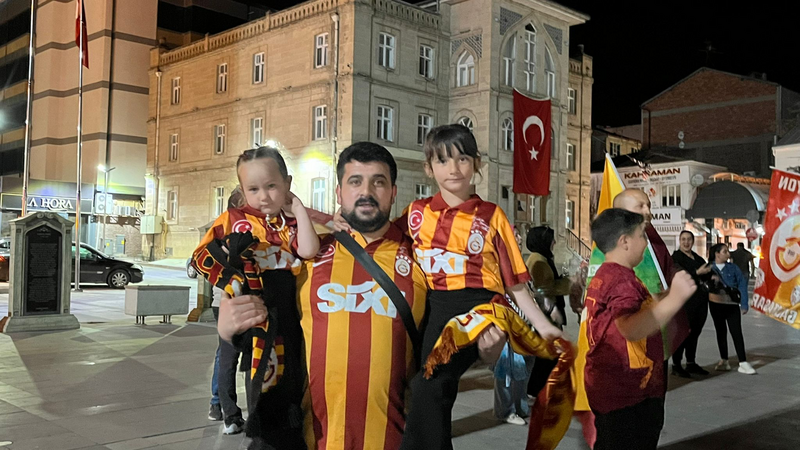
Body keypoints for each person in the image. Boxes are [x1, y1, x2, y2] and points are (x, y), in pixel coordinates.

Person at [217, 142, 507, 450]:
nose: (366, 191)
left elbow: (449, 335)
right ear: (339, 193)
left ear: (393, 192)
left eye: (378, 182)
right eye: (355, 181)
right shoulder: (306, 256)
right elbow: (268, 323)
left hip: (395, 441)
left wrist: (486, 351)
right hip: (312, 442)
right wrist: (227, 329)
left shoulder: (424, 259)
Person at [400, 124, 562, 450]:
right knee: (427, 388)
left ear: (477, 164)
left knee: (431, 382)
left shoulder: (491, 215)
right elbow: (384, 245)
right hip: (431, 308)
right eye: (443, 160)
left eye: (462, 159)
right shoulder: (415, 213)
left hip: (477, 308)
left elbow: (514, 282)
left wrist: (543, 325)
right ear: (428, 168)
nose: (454, 168)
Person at [191, 146, 320, 449]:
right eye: (253, 189)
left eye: (271, 186)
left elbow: (308, 250)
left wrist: (299, 209)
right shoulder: (233, 220)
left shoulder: (289, 223)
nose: (263, 196)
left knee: (295, 384)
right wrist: (235, 278)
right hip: (258, 317)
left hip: (292, 315)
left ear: (287, 184)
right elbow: (201, 258)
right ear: (242, 189)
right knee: (264, 385)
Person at [585, 208, 696, 450]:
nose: (646, 243)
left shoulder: (606, 274)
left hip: (612, 388)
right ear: (624, 241)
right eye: (641, 236)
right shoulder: (621, 280)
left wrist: (664, 297)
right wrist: (675, 298)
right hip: (627, 393)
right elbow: (629, 327)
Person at [491, 226, 536, 426]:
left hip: (525, 324)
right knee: (507, 369)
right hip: (508, 323)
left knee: (523, 367)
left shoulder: (518, 262)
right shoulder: (498, 263)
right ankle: (505, 410)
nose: (519, 237)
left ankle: (520, 405)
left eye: (518, 234)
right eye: (514, 235)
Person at [524, 226, 570, 400]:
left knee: (548, 356)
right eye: (551, 239)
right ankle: (535, 391)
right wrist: (568, 283)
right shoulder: (539, 262)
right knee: (547, 357)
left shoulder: (541, 258)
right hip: (546, 315)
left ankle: (539, 390)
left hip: (546, 315)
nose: (554, 242)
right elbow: (543, 290)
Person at [707, 243, 756, 375]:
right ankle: (724, 360)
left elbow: (742, 285)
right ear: (717, 254)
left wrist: (744, 304)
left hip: (732, 304)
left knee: (736, 332)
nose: (728, 254)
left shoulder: (733, 268)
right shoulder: (709, 268)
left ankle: (743, 362)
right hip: (715, 304)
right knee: (720, 332)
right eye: (725, 251)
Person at [670, 231, 712, 378]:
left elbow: (706, 274)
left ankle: (691, 362)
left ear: (693, 241)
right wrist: (697, 272)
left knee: (695, 332)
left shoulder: (698, 258)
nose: (686, 242)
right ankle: (676, 364)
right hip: (685, 302)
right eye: (683, 239)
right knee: (682, 332)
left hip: (700, 300)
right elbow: (677, 275)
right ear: (679, 241)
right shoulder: (676, 258)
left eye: (689, 239)